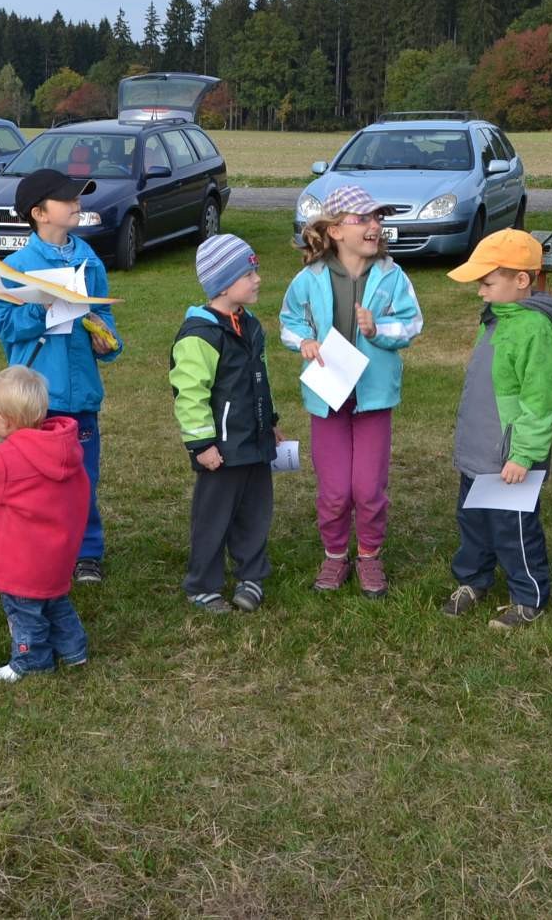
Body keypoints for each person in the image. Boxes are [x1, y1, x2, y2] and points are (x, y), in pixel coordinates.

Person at [278, 185, 424, 598]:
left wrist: (378, 329)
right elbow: (289, 321)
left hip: (374, 397)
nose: (374, 225)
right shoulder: (309, 278)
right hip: (328, 397)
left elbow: (412, 323)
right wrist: (304, 342)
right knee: (336, 489)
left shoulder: (393, 276)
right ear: (336, 231)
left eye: (378, 218)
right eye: (363, 219)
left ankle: (370, 555)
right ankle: (335, 555)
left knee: (368, 487)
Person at [0, 168, 122, 586]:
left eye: (77, 197)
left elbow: (104, 311)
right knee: (36, 480)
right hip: (37, 398)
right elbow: (0, 323)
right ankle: (38, 547)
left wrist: (107, 338)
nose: (76, 203)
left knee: (82, 478)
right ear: (39, 213)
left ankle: (87, 552)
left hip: (82, 395)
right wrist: (38, 310)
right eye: (66, 199)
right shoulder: (14, 267)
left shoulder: (89, 260)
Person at [440, 229, 552, 629]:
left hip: (510, 458)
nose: (481, 291)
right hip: (480, 449)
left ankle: (528, 595)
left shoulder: (535, 330)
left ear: (522, 279)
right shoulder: (496, 317)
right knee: (473, 521)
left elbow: (540, 401)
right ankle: (472, 579)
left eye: (488, 283)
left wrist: (523, 454)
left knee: (513, 528)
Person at [170, 234, 284, 614]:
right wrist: (201, 444)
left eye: (255, 271)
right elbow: (190, 394)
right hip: (220, 449)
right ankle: (203, 584)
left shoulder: (249, 326)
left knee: (255, 513)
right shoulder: (199, 335)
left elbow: (259, 377)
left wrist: (270, 421)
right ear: (222, 285)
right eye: (248, 274)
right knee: (213, 518)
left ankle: (252, 575)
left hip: (255, 442)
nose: (257, 279)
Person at [0, 366, 92, 683]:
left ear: (4, 420)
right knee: (55, 602)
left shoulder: (9, 459)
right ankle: (74, 650)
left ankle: (32, 660)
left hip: (22, 561)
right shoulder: (62, 447)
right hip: (56, 555)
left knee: (24, 611)